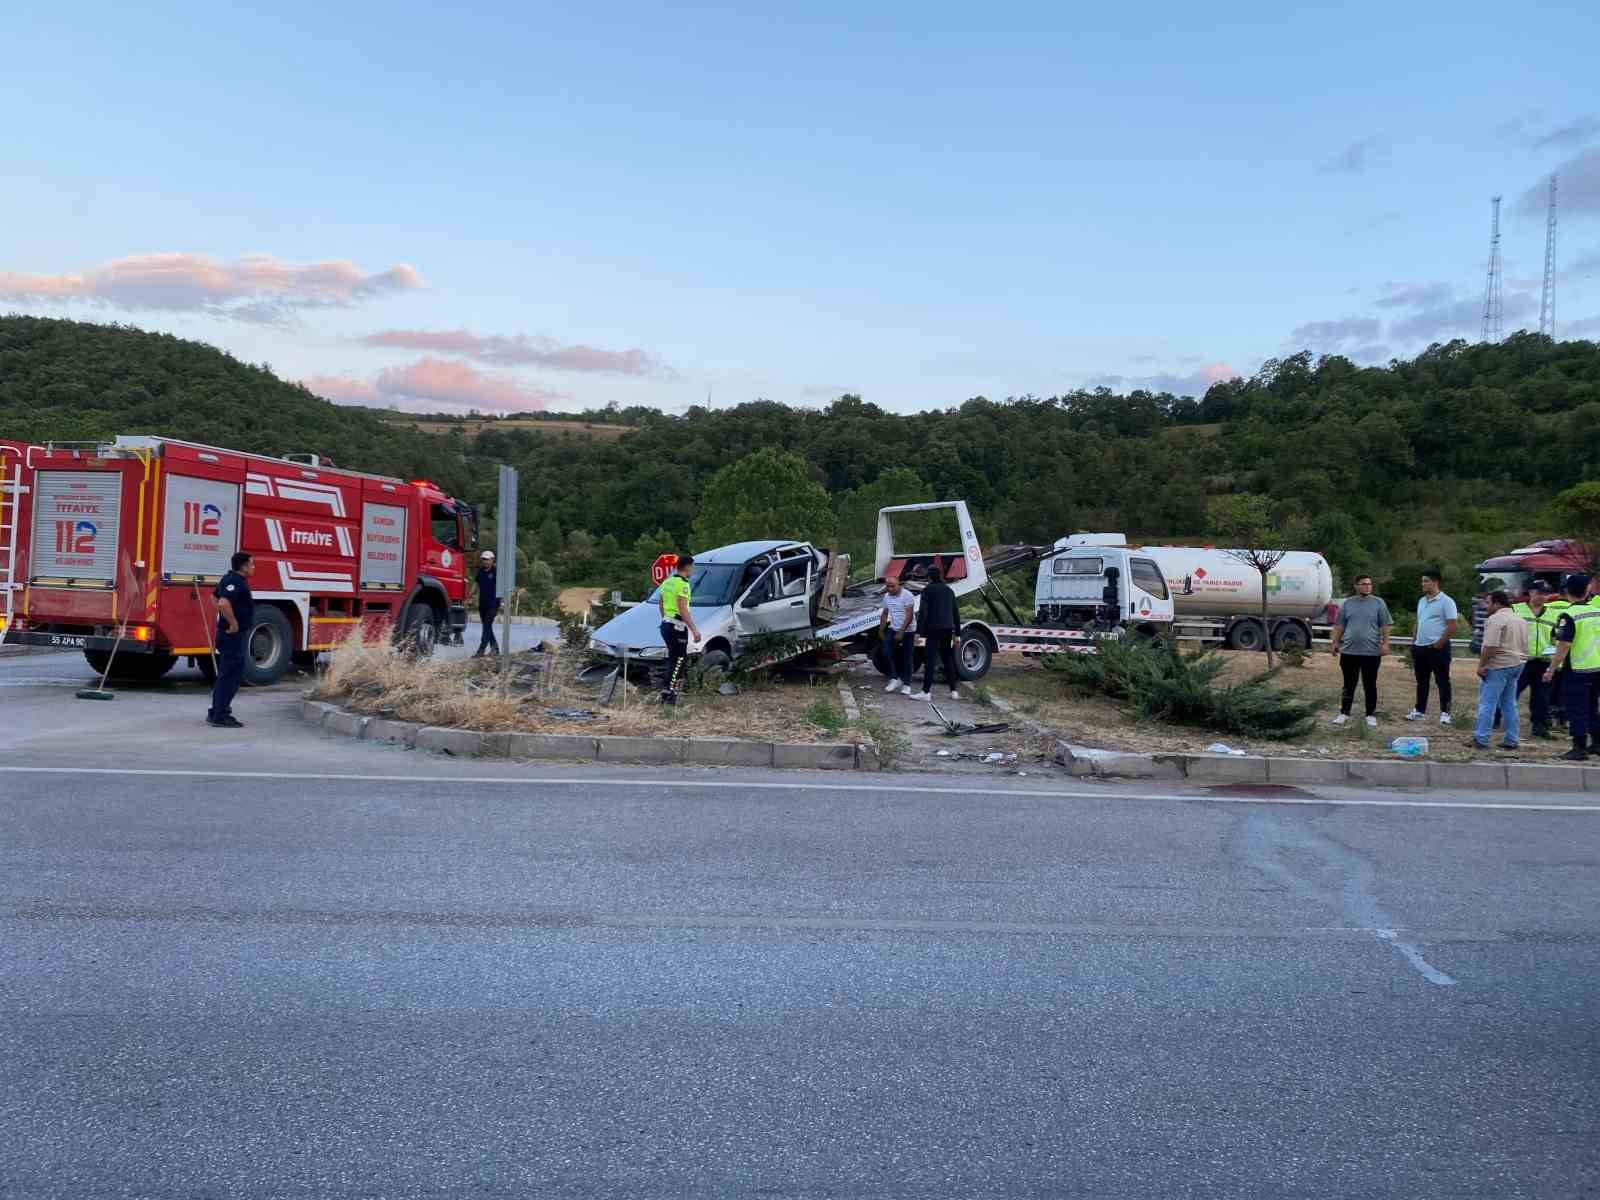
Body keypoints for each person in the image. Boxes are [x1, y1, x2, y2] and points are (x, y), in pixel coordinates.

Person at [1543, 574, 1600, 761]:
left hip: (1577, 670)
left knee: (1576, 709)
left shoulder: (1568, 615)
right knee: (1592, 707)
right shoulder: (1596, 611)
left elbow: (1564, 644)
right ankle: (1597, 743)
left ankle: (1579, 747)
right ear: (1587, 590)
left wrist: (1551, 669)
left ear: (1567, 591)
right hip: (1596, 668)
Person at [1329, 574, 1390, 727]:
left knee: (1370, 684)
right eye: (1364, 584)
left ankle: (1370, 714)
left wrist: (1385, 643)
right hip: (1349, 651)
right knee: (1348, 684)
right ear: (1356, 586)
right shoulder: (1348, 603)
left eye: (1369, 584)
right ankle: (1344, 713)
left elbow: (1384, 625)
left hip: (1371, 652)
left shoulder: (1378, 603)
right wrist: (1335, 642)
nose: (1367, 586)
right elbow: (1340, 625)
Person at [1471, 590, 1527, 750]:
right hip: (1518, 663)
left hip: (1499, 665)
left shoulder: (1495, 619)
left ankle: (1481, 738)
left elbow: (1490, 646)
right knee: (1509, 703)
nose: (1486, 606)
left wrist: (1482, 665)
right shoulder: (1520, 619)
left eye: (1488, 603)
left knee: (1487, 703)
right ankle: (1512, 739)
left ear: (1497, 603)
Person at [207, 551, 255, 729]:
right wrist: (232, 622)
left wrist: (224, 616)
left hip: (229, 635)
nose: (254, 567)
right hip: (232, 636)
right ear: (243, 566)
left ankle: (215, 712)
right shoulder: (235, 581)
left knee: (226, 674)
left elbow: (214, 597)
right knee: (231, 675)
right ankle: (221, 716)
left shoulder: (229, 579)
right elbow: (223, 602)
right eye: (252, 564)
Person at [1405, 570, 1458, 725]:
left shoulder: (1446, 601)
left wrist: (1439, 643)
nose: (1423, 584)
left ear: (1435, 582)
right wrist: (1414, 641)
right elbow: (1419, 621)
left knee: (1442, 680)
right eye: (1422, 581)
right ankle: (1420, 710)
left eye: (1426, 581)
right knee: (1422, 681)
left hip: (1437, 648)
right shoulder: (1422, 601)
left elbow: (1452, 625)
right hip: (1420, 647)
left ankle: (1445, 713)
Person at [1512, 581, 1559, 738]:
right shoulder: (1516, 609)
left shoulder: (1554, 614)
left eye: (1546, 593)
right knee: (1511, 691)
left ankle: (1539, 726)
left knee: (1541, 696)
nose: (1543, 597)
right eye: (1539, 593)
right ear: (1530, 592)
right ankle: (1496, 719)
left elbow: (1555, 638)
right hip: (1521, 660)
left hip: (1543, 662)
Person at [911, 566, 961, 702]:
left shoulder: (927, 590)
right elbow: (955, 612)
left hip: (933, 629)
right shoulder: (949, 590)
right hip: (947, 629)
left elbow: (923, 612)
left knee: (930, 660)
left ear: (929, 577)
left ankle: (926, 692)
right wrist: (957, 634)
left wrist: (918, 632)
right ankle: (954, 691)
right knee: (948, 659)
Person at [658, 555, 701, 705]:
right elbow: (683, 609)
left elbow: (661, 604)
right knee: (679, 661)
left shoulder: (667, 582)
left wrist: (665, 619)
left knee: (673, 659)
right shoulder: (683, 585)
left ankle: (667, 692)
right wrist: (694, 629)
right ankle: (670, 694)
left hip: (666, 624)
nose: (693, 570)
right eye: (693, 567)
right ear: (687, 567)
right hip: (677, 626)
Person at [878, 574, 917, 696]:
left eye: (892, 586)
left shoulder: (907, 595)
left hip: (908, 630)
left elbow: (909, 616)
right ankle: (894, 678)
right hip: (894, 628)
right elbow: (885, 613)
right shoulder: (887, 596)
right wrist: (881, 629)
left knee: (907, 657)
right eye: (888, 586)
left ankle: (907, 684)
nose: (890, 589)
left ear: (898, 584)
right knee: (886, 652)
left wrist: (901, 632)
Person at [473, 550, 500, 657]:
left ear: (492, 560)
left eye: (487, 559)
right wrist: (469, 597)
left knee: (486, 626)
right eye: (483, 559)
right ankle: (495, 648)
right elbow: (476, 585)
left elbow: (502, 588)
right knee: (487, 627)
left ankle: (481, 650)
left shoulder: (496, 572)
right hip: (482, 604)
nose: (485, 561)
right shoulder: (480, 571)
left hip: (493, 604)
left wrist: (503, 602)